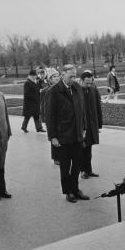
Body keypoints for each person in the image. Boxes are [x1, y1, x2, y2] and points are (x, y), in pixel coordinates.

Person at [47, 64, 89, 203]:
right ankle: (68, 191)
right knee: (65, 167)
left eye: (74, 76)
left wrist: (83, 128)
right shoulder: (54, 91)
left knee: (77, 165)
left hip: (77, 134)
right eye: (71, 76)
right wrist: (52, 136)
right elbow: (50, 116)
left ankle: (75, 189)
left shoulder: (77, 88)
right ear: (62, 74)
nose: (73, 79)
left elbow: (82, 109)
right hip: (62, 135)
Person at [80, 70, 103, 179]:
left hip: (91, 124)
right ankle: (83, 171)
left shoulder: (93, 90)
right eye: (86, 83)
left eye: (90, 82)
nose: (89, 85)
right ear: (81, 81)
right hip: (81, 127)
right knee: (82, 150)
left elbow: (98, 107)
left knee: (88, 149)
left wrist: (99, 125)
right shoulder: (76, 91)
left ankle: (88, 170)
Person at [44, 68, 60, 165]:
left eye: (58, 76)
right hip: (52, 117)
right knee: (54, 136)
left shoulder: (60, 87)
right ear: (50, 79)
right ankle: (56, 157)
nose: (57, 78)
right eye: (54, 77)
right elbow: (45, 106)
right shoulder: (47, 90)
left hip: (59, 116)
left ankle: (60, 156)